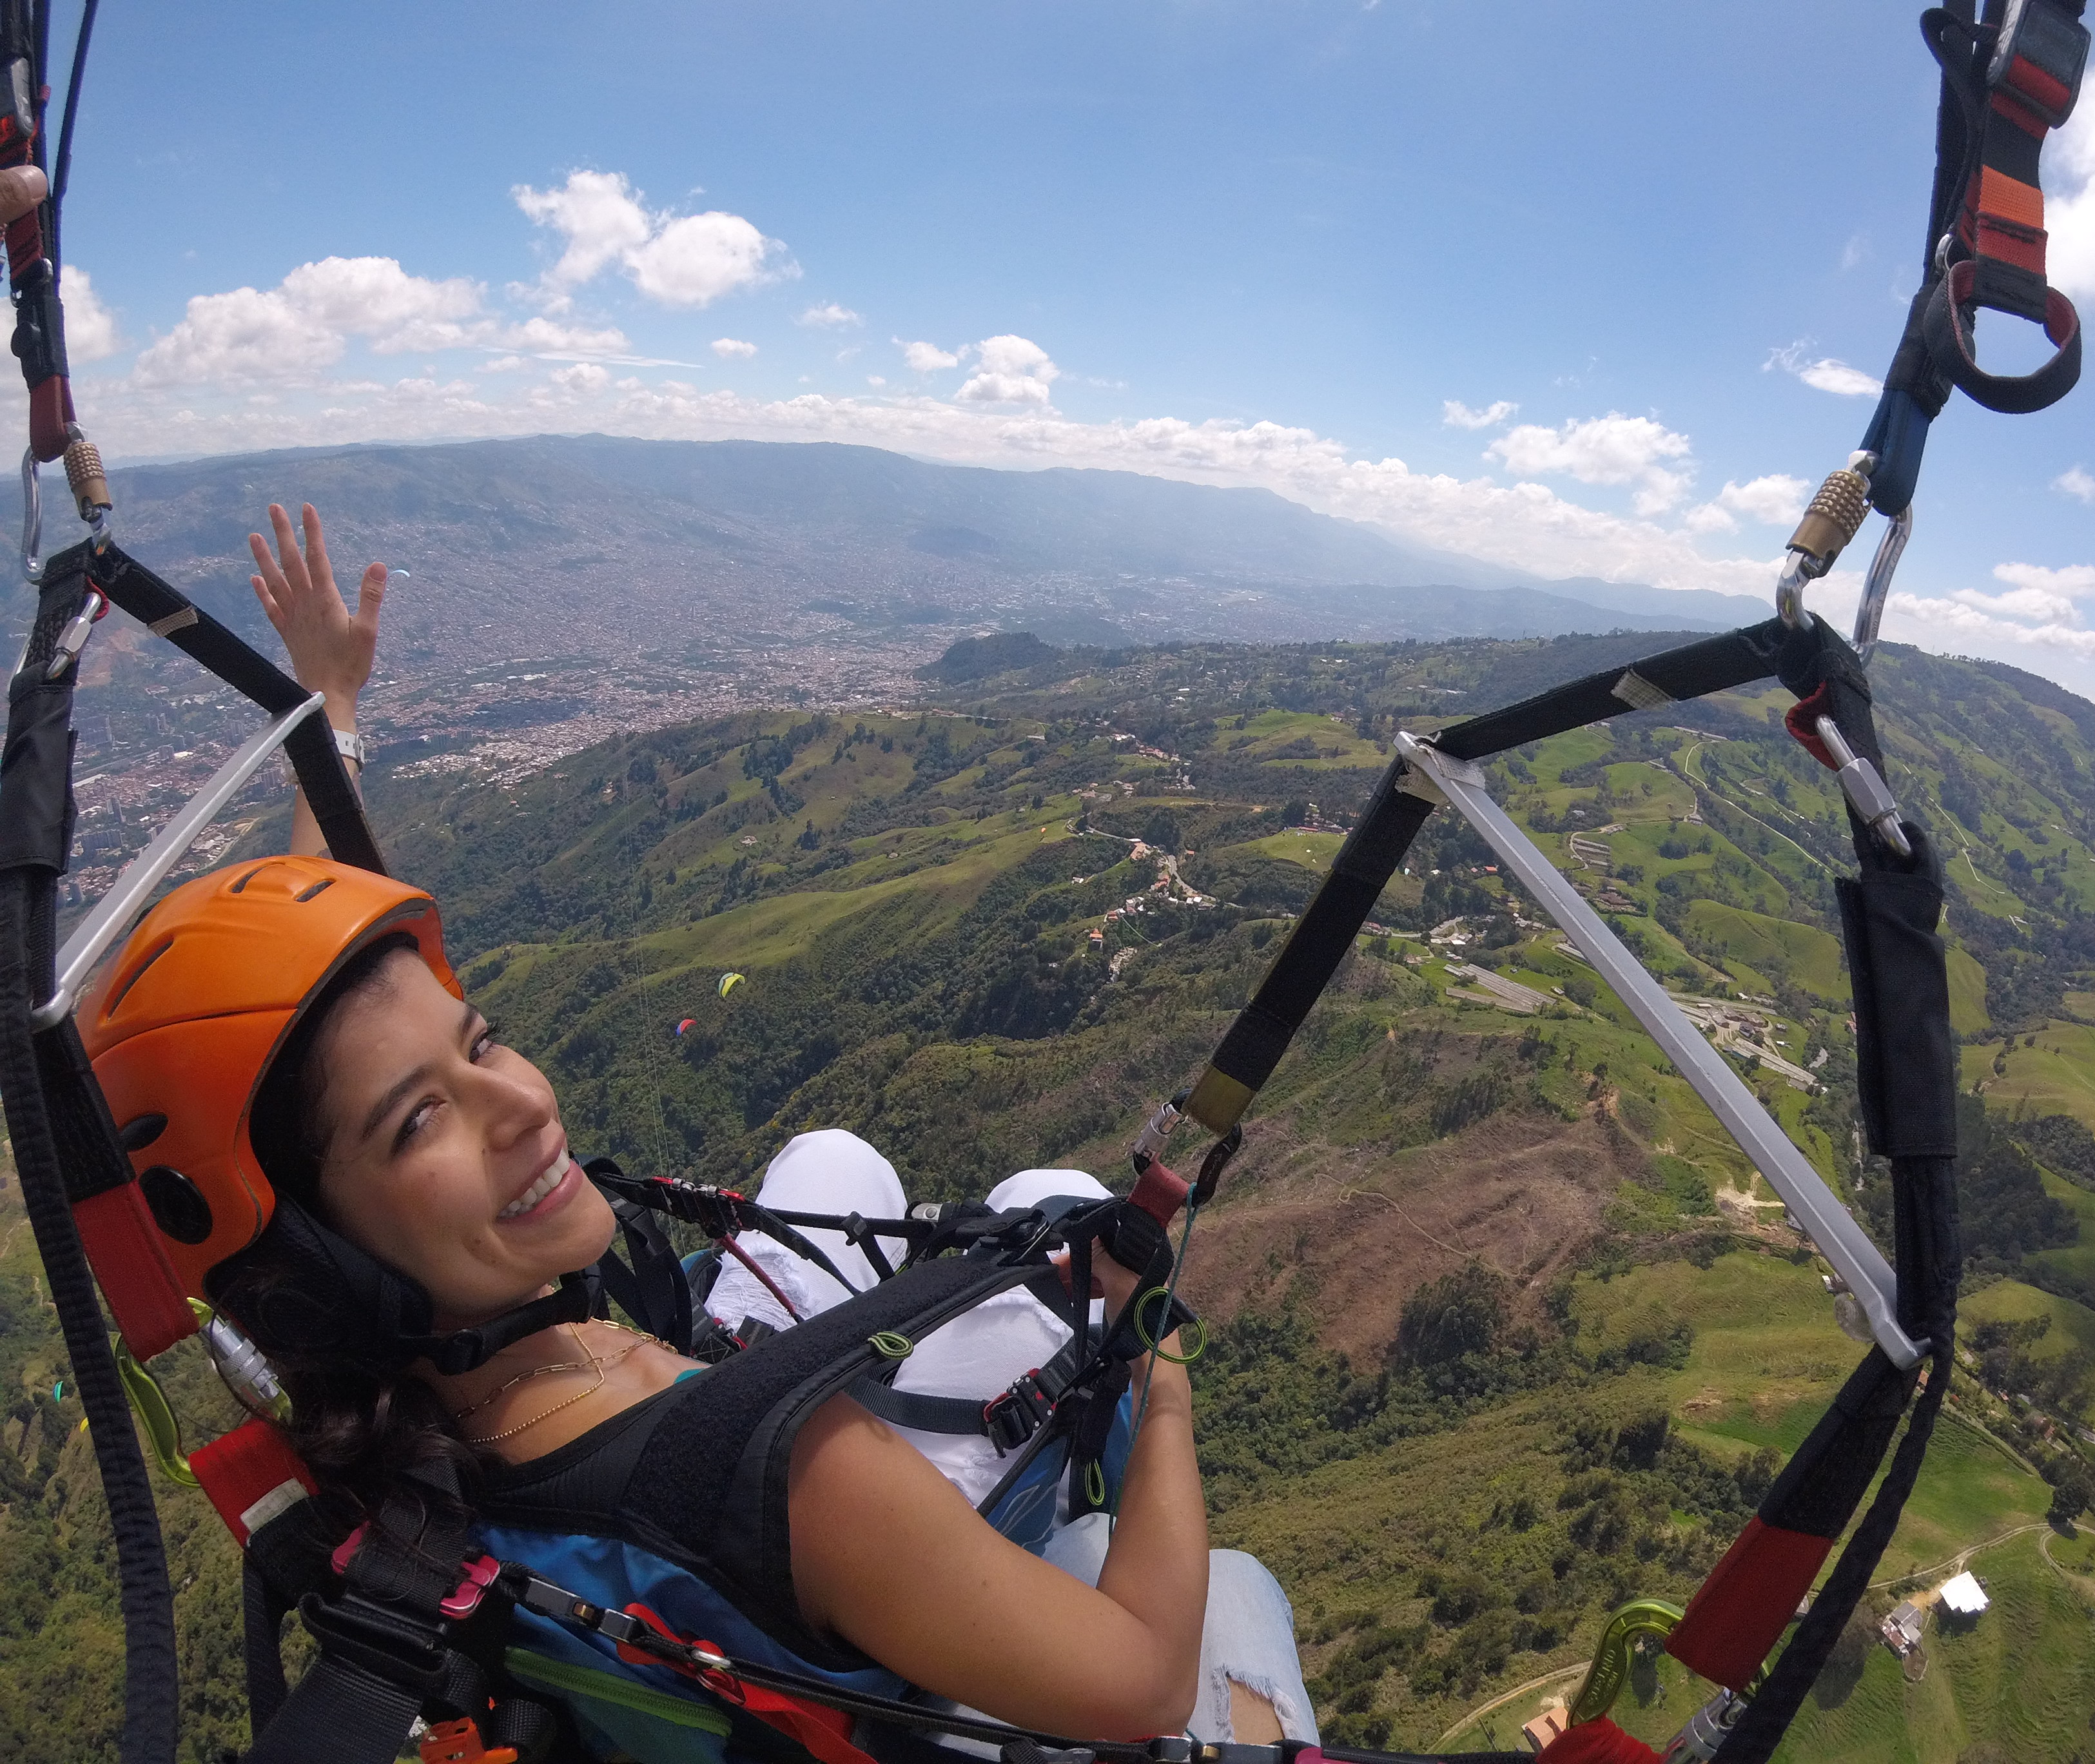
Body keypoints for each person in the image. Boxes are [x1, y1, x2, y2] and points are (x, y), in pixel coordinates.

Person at [81, 503, 1313, 1757]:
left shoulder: (366, 1421)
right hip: (791, 1535)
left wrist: (329, 713)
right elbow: (1147, 1683)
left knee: (830, 1161)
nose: (523, 1102)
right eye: (420, 1125)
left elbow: (304, 1089)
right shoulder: (807, 1483)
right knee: (1222, 1552)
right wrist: (1160, 1389)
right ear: (324, 1260)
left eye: (481, 1037)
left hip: (680, 1492)